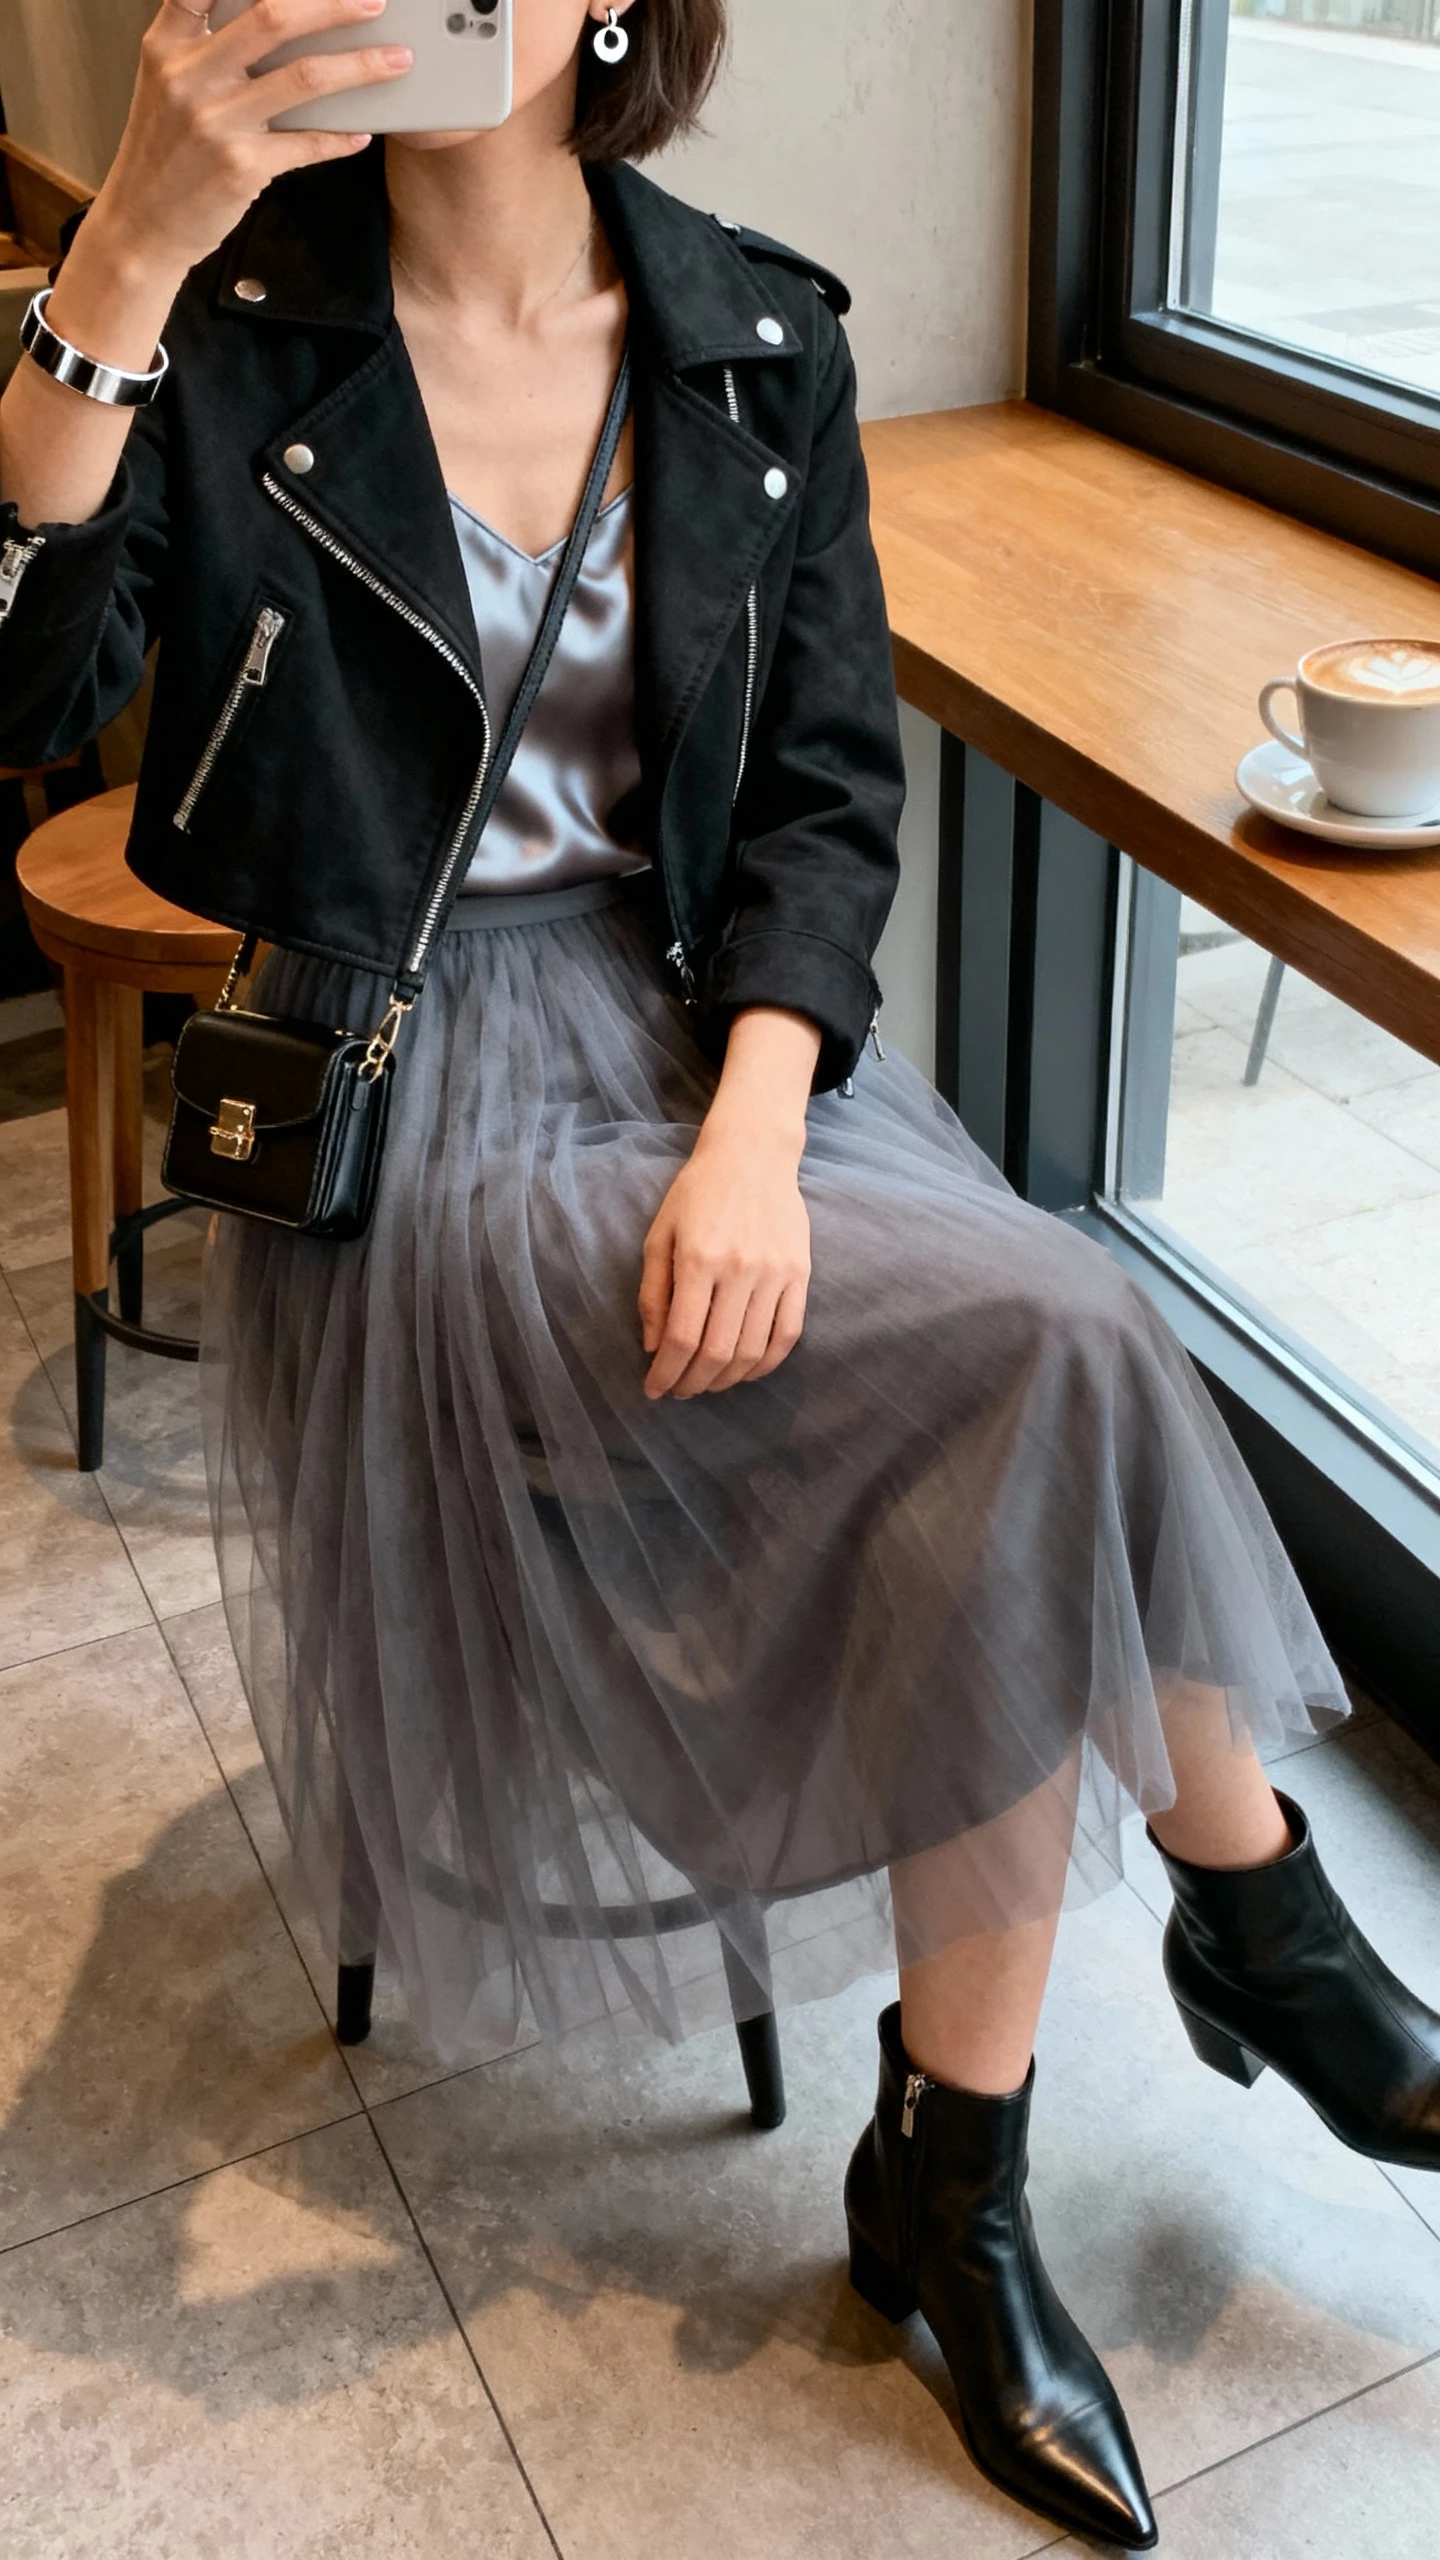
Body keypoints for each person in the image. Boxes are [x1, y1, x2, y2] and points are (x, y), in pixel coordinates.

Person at [3, 2, 1438, 2544]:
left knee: (1005, 1399)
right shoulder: (228, 334)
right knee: (1056, 1332)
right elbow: (34, 685)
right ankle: (1237, 1943)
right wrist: (127, 241)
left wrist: (767, 1110)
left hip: (721, 1058)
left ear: (608, 10)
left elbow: (825, 791)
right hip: (414, 1095)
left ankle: (959, 2172)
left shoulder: (753, 328)